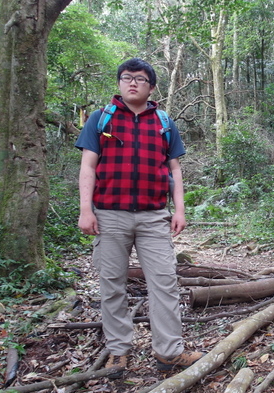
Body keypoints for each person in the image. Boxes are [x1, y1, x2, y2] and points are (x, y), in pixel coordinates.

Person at [75, 58, 203, 376]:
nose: (133, 82)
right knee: (112, 285)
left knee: (164, 284)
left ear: (151, 87)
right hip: (109, 215)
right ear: (119, 82)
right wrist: (85, 209)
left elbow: (174, 169)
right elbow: (88, 166)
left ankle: (169, 352)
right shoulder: (100, 119)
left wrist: (180, 210)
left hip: (153, 217)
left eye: (140, 79)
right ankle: (118, 351)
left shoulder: (163, 122)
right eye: (127, 77)